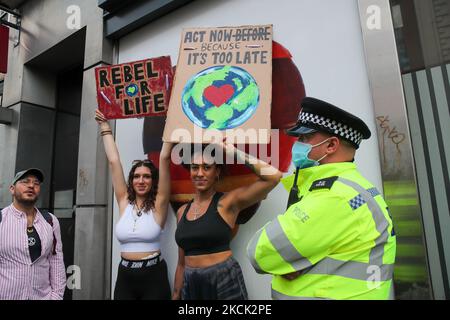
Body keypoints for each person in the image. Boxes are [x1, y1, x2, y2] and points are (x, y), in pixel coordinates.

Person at [247, 97, 397, 300]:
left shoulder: (333, 197)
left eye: (304, 139)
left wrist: (292, 260)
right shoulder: (351, 187)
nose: (297, 145)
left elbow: (260, 253)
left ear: (331, 145)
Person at [172, 141, 282, 300]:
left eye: (207, 167)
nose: (200, 173)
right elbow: (181, 263)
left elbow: (274, 177)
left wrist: (231, 151)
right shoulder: (182, 212)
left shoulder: (227, 203)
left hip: (223, 279)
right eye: (194, 167)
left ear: (216, 171)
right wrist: (176, 294)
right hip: (191, 283)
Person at [95, 109, 173, 300]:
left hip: (153, 275)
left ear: (153, 181)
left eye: (146, 176)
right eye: (136, 176)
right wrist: (105, 127)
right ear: (131, 181)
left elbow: (163, 157)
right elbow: (114, 162)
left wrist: (173, 121)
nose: (141, 180)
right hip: (126, 276)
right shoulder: (124, 202)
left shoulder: (159, 204)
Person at [0, 168, 66, 300]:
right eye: (25, 182)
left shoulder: (50, 221)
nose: (31, 186)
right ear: (12, 189)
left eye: (36, 183)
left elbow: (56, 260)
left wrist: (56, 296)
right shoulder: (1, 219)